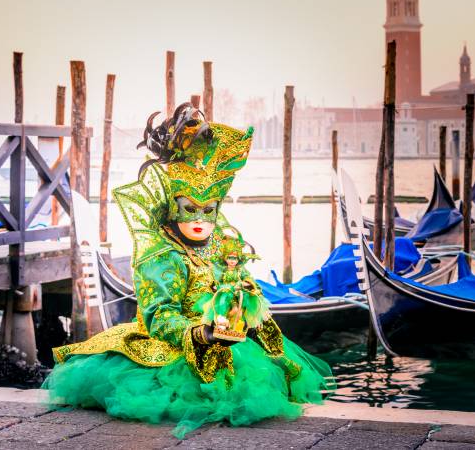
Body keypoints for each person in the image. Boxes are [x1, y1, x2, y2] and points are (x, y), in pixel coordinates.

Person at [43, 103, 333, 437]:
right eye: (189, 209)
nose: (198, 220)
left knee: (269, 371)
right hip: (175, 348)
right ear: (171, 205)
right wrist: (199, 333)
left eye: (207, 210)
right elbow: (159, 314)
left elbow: (240, 289)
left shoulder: (219, 248)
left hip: (225, 340)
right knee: (203, 393)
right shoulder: (160, 255)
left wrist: (243, 306)